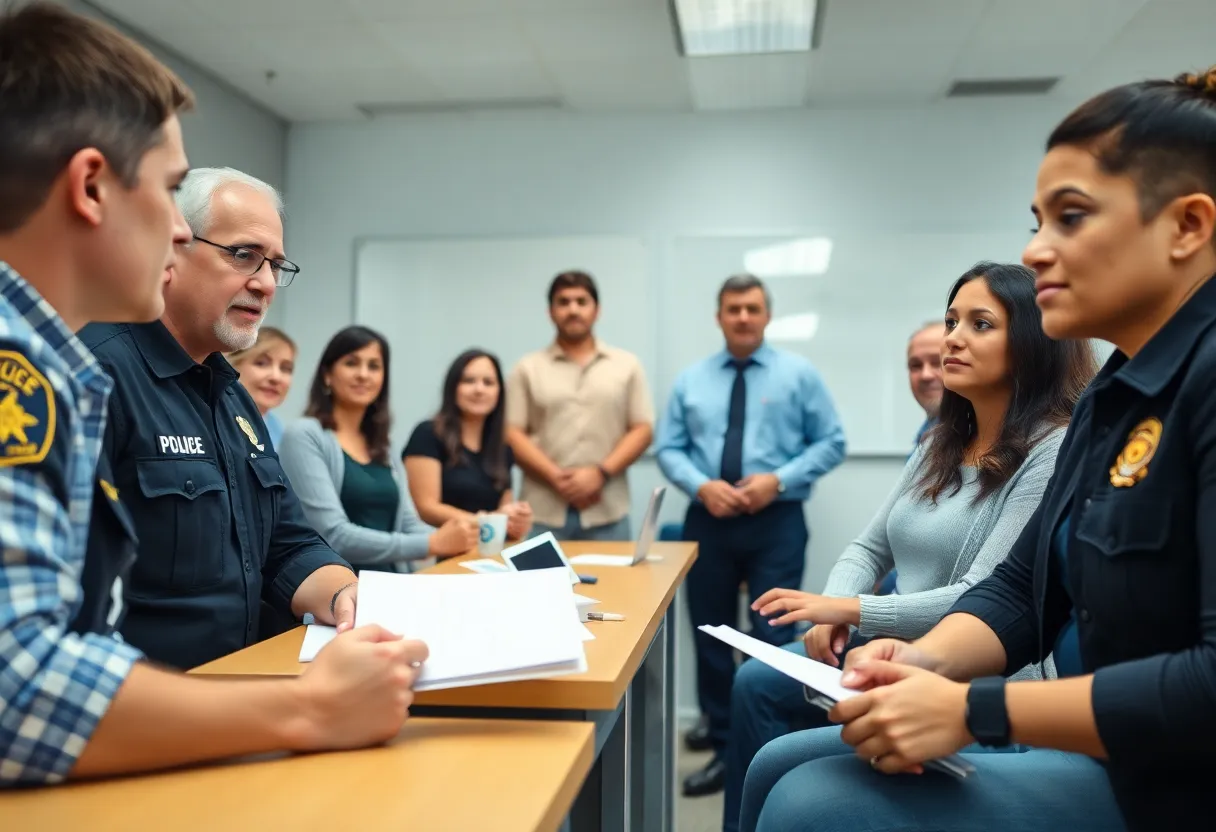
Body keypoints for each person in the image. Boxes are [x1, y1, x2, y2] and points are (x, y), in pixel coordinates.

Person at [742, 65, 1216, 832]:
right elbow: (1018, 591)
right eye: (1037, 221)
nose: (1035, 251)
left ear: (1188, 226)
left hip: (1175, 784)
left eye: (1070, 218)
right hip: (1114, 755)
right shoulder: (1113, 396)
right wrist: (914, 664)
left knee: (810, 804)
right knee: (778, 767)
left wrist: (972, 708)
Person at [0, 3, 424, 786]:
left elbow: (285, 542)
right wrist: (307, 709)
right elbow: (16, 686)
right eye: (167, 192)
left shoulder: (213, 390)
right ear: (91, 187)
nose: (177, 232)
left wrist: (343, 610)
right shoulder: (36, 368)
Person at [725, 263, 1096, 831]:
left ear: (1029, 344)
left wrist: (852, 610)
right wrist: (836, 604)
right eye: (952, 321)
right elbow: (868, 547)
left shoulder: (1052, 450)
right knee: (755, 685)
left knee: (781, 770)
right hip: (899, 650)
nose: (953, 338)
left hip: (983, 678)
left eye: (980, 324)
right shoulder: (939, 442)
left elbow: (990, 598)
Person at [79, 167, 364, 671]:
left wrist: (343, 593)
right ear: (172, 247)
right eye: (244, 255)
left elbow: (286, 540)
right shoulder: (96, 374)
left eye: (276, 264)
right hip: (153, 708)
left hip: (248, 681)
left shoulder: (232, 396)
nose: (266, 284)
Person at [656, 273, 848, 796]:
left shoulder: (798, 375)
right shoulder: (691, 380)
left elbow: (831, 441)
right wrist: (701, 487)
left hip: (776, 524)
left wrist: (778, 480)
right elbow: (667, 447)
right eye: (733, 308)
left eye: (752, 308)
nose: (743, 317)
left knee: (769, 641)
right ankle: (723, 751)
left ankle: (768, 757)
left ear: (767, 316)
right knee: (713, 641)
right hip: (708, 522)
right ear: (719, 316)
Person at [279, 326, 479, 573]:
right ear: (327, 375)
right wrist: (433, 542)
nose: (364, 374)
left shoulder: (383, 445)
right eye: (351, 363)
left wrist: (457, 538)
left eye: (374, 366)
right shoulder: (304, 435)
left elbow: (408, 523)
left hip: (394, 583)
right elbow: (333, 534)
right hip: (339, 591)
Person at [506, 270, 654, 540]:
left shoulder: (627, 365)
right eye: (563, 302)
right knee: (539, 583)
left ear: (597, 310)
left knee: (616, 584)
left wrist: (600, 474)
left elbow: (642, 429)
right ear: (550, 311)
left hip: (608, 510)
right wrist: (557, 478)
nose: (572, 310)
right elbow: (512, 433)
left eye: (581, 301)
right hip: (542, 511)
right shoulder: (527, 368)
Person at [403, 348, 533, 538]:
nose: (479, 389)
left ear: (499, 392)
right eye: (468, 381)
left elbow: (505, 515)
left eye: (488, 382)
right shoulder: (428, 433)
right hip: (442, 552)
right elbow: (425, 507)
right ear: (453, 387)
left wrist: (517, 520)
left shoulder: (502, 446)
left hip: (491, 554)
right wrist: (489, 521)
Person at [874, 320, 949, 597]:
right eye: (915, 366)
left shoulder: (977, 442)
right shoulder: (926, 434)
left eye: (938, 362)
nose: (926, 375)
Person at [227, 325, 296, 447]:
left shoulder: (277, 428)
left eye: (286, 368)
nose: (276, 377)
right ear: (234, 365)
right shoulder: (216, 421)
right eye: (262, 363)